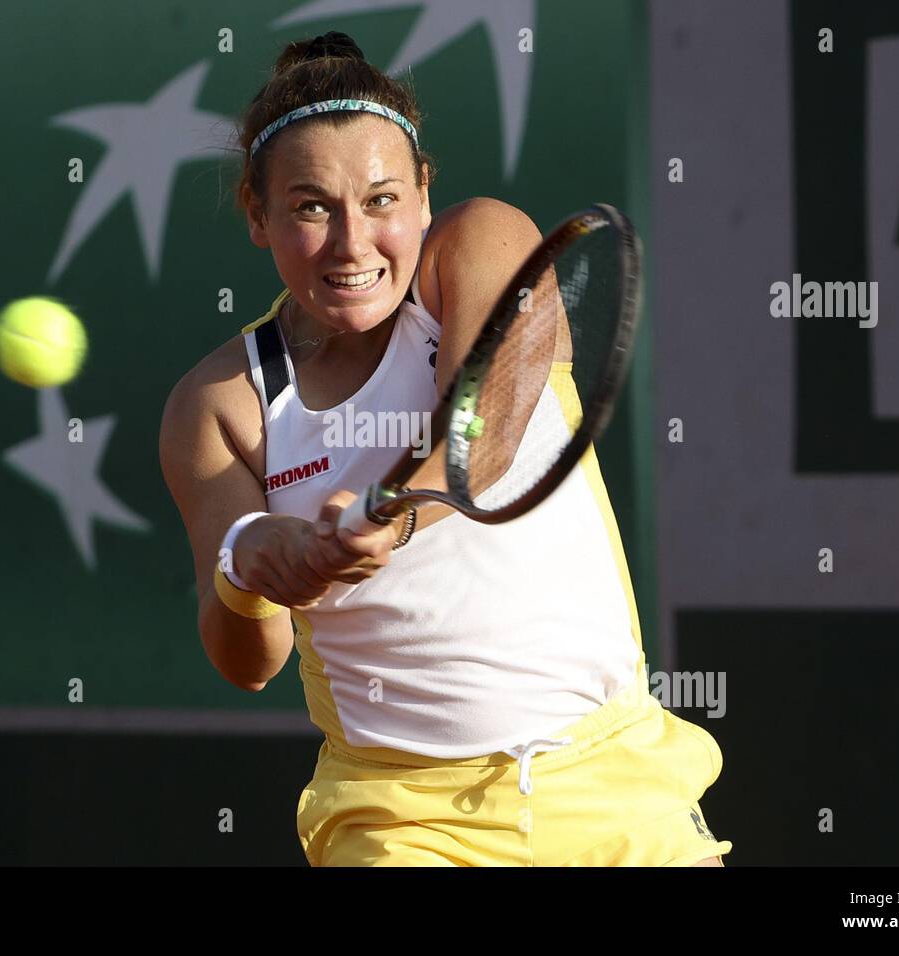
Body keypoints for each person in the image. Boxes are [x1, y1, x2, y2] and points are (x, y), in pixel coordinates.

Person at [160, 31, 732, 866]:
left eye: (382, 199)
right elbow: (248, 661)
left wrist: (387, 522)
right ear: (259, 214)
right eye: (312, 206)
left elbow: (483, 430)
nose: (353, 243)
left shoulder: (483, 241)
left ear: (425, 196)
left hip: (617, 786)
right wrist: (254, 569)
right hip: (399, 821)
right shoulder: (217, 406)